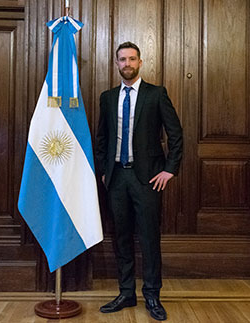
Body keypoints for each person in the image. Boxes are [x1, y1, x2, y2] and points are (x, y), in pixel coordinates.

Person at [95, 41, 183, 321]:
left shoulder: (156, 94)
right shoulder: (107, 97)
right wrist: (104, 170)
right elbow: (102, 138)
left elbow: (176, 134)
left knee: (148, 238)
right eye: (122, 60)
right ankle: (126, 292)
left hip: (147, 179)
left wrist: (170, 169)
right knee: (121, 236)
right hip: (117, 178)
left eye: (132, 59)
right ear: (116, 64)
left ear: (140, 62)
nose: (127, 64)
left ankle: (153, 296)